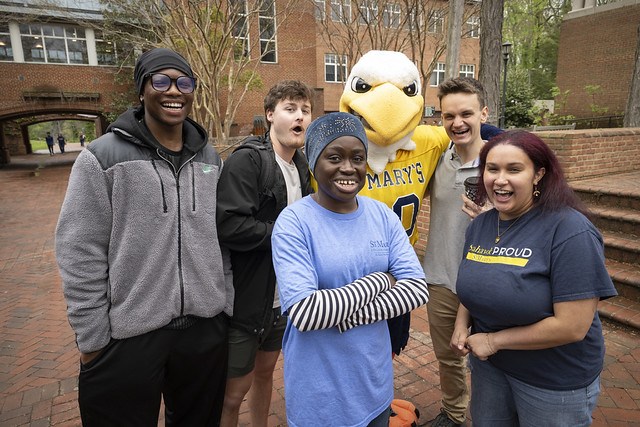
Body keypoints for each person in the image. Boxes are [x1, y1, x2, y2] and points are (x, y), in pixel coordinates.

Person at [55, 47, 233, 426]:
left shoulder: (210, 160)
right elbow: (78, 249)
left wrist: (225, 304)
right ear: (142, 90)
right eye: (161, 80)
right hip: (128, 335)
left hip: (204, 330)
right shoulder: (102, 158)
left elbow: (223, 239)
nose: (174, 91)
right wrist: (93, 339)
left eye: (184, 82)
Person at [271, 112, 430, 427]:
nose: (347, 167)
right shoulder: (294, 223)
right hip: (319, 398)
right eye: (334, 157)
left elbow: (415, 289)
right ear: (314, 162)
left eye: (358, 158)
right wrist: (379, 281)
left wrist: (344, 316)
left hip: (375, 387)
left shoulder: (382, 216)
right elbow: (305, 313)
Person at [450, 129, 617, 426]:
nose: (500, 180)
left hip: (552, 378)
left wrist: (492, 341)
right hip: (491, 370)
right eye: (492, 169)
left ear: (538, 174)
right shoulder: (481, 225)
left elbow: (572, 326)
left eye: (514, 169)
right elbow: (477, 282)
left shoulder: (569, 230)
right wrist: (462, 324)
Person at [216, 80, 314, 427]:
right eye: (291, 109)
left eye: (305, 110)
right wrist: (289, 237)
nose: (299, 116)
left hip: (282, 299)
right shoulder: (248, 161)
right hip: (247, 300)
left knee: (265, 374)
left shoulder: (301, 165)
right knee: (232, 394)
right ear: (270, 115)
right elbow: (229, 225)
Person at [422, 77, 499, 427]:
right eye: (448, 115)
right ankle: (454, 415)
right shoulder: (437, 161)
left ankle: (491, 417)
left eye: (466, 113)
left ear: (484, 112)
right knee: (448, 357)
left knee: (490, 359)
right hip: (440, 278)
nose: (457, 122)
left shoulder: (502, 165)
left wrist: (497, 217)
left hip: (487, 282)